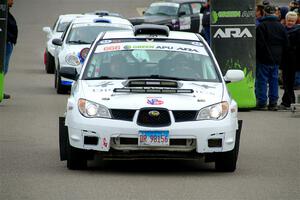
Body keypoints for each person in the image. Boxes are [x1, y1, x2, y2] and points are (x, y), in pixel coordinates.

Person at [255, 5, 288, 111]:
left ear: (264, 12)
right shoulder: (281, 26)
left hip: (263, 57)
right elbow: (286, 43)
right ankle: (273, 102)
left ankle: (262, 102)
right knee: (274, 80)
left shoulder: (261, 26)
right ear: (275, 13)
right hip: (276, 58)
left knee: (262, 80)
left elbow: (258, 44)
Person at [278, 11, 300, 109]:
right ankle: (288, 101)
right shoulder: (283, 30)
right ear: (285, 20)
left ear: (295, 21)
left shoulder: (297, 31)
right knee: (287, 82)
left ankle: (289, 102)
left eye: (292, 21)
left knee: (288, 82)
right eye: (289, 20)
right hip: (286, 60)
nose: (290, 22)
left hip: (292, 60)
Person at [3, 0, 18, 99]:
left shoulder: (5, 12)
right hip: (5, 43)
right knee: (2, 68)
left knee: (4, 69)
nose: (13, 1)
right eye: (11, 0)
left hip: (8, 43)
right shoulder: (2, 13)